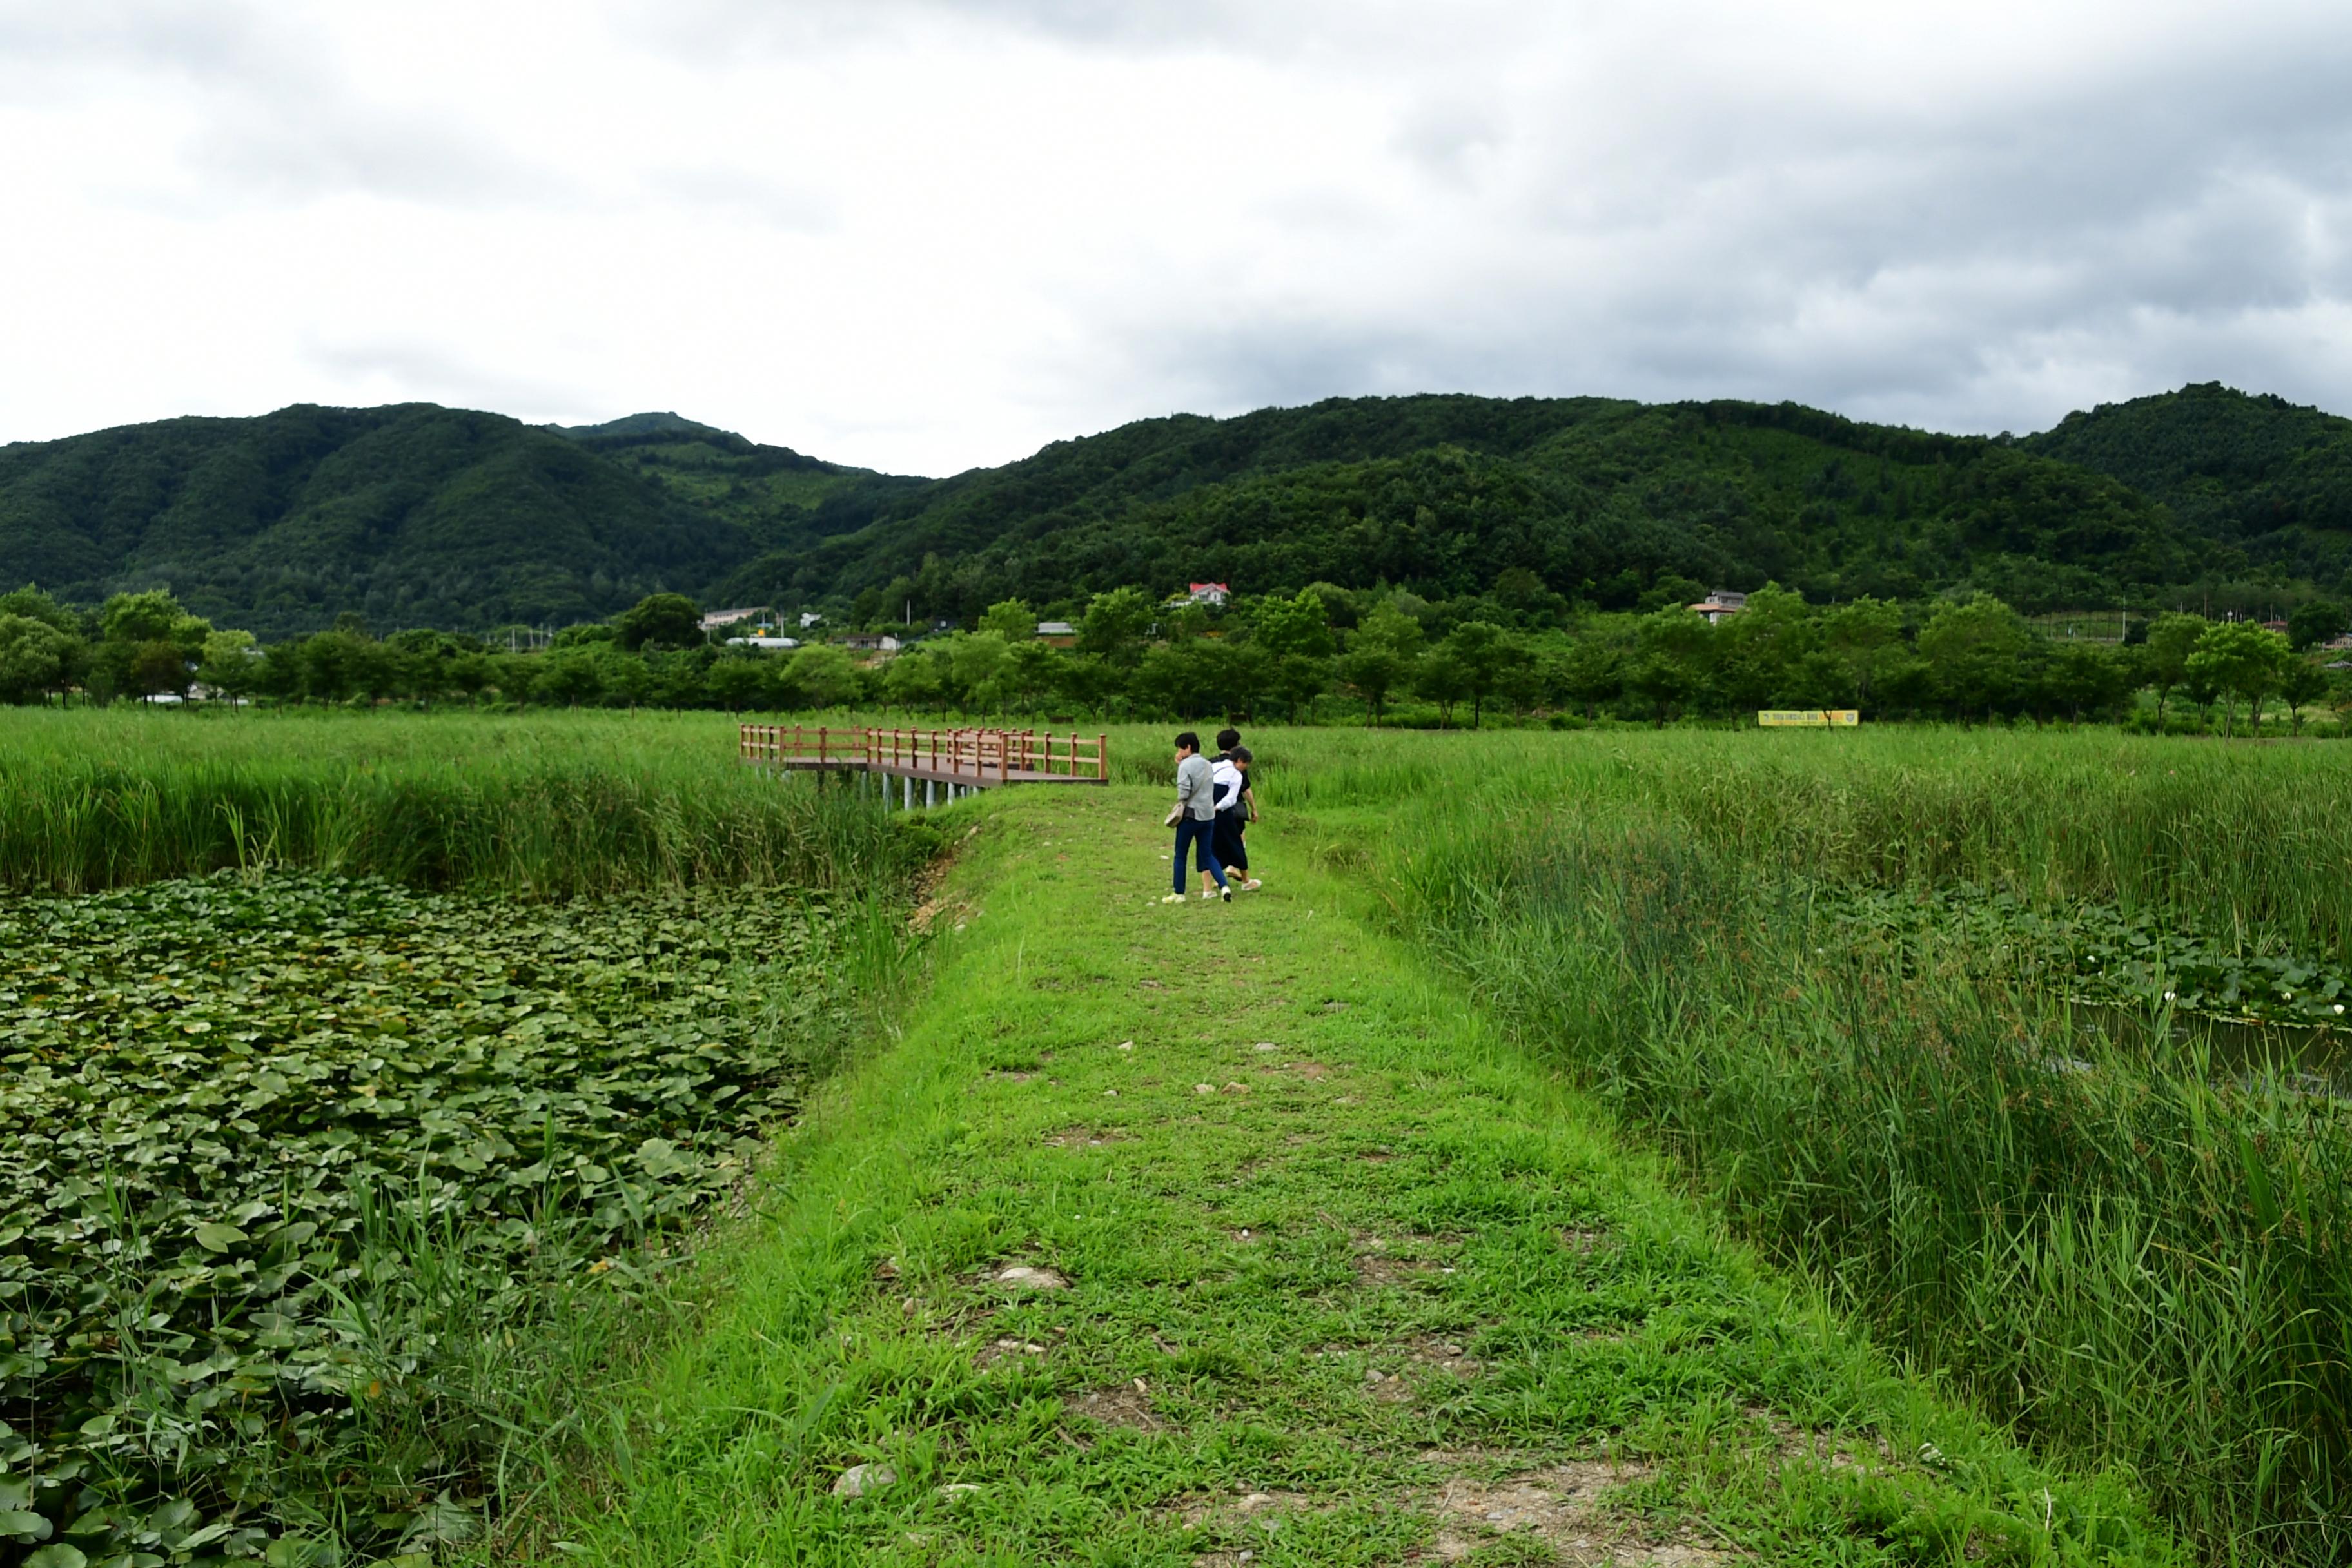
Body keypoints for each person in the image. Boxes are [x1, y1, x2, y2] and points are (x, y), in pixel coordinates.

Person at [1164, 732, 1230, 903]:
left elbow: (1183, 793)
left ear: (1188, 748)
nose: (1179, 752)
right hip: (1208, 816)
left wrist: (1180, 767)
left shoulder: (1185, 766)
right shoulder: (1208, 764)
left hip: (1190, 816)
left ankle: (1179, 893)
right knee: (1207, 854)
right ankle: (1224, 886)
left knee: (1181, 855)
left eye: (1180, 748)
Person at [1211, 745, 1260, 890]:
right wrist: (1217, 808)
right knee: (1236, 844)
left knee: (1213, 845)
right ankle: (1246, 881)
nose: (1245, 768)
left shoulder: (1214, 767)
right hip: (1223, 814)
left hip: (1205, 813)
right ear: (1239, 760)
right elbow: (1231, 799)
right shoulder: (1236, 775)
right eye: (1246, 764)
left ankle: (1216, 880)